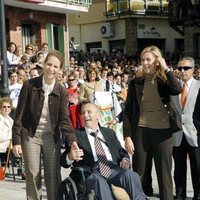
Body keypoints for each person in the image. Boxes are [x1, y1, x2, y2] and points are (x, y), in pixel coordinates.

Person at [12, 50, 75, 200]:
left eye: (55, 66)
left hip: (51, 136)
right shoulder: (29, 85)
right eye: (49, 64)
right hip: (30, 134)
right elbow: (19, 114)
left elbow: (65, 120)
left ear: (60, 69)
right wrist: (16, 140)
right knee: (33, 175)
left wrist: (72, 141)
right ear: (43, 64)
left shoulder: (62, 91)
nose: (51, 69)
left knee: (53, 175)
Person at [123, 45, 182, 200]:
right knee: (139, 173)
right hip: (141, 132)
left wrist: (166, 69)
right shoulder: (135, 83)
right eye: (142, 60)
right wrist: (127, 136)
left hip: (163, 132)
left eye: (148, 59)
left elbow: (177, 89)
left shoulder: (165, 80)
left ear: (157, 60)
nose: (145, 63)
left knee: (164, 175)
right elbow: (128, 111)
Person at [61, 103, 146, 200]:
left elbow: (122, 152)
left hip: (113, 168)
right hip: (91, 172)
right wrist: (70, 157)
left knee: (131, 175)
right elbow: (64, 162)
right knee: (99, 182)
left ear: (98, 115)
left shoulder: (109, 133)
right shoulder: (76, 135)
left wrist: (125, 159)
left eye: (89, 112)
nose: (85, 115)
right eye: (83, 113)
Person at [171, 57, 200, 200]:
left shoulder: (199, 86)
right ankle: (180, 195)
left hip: (195, 134)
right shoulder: (174, 88)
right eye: (180, 68)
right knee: (179, 169)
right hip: (177, 134)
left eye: (186, 68)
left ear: (193, 70)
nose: (182, 71)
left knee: (198, 168)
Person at [0, 97, 13, 166]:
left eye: (8, 107)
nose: (6, 109)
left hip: (7, 147)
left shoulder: (10, 120)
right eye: (4, 107)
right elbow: (0, 137)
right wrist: (11, 134)